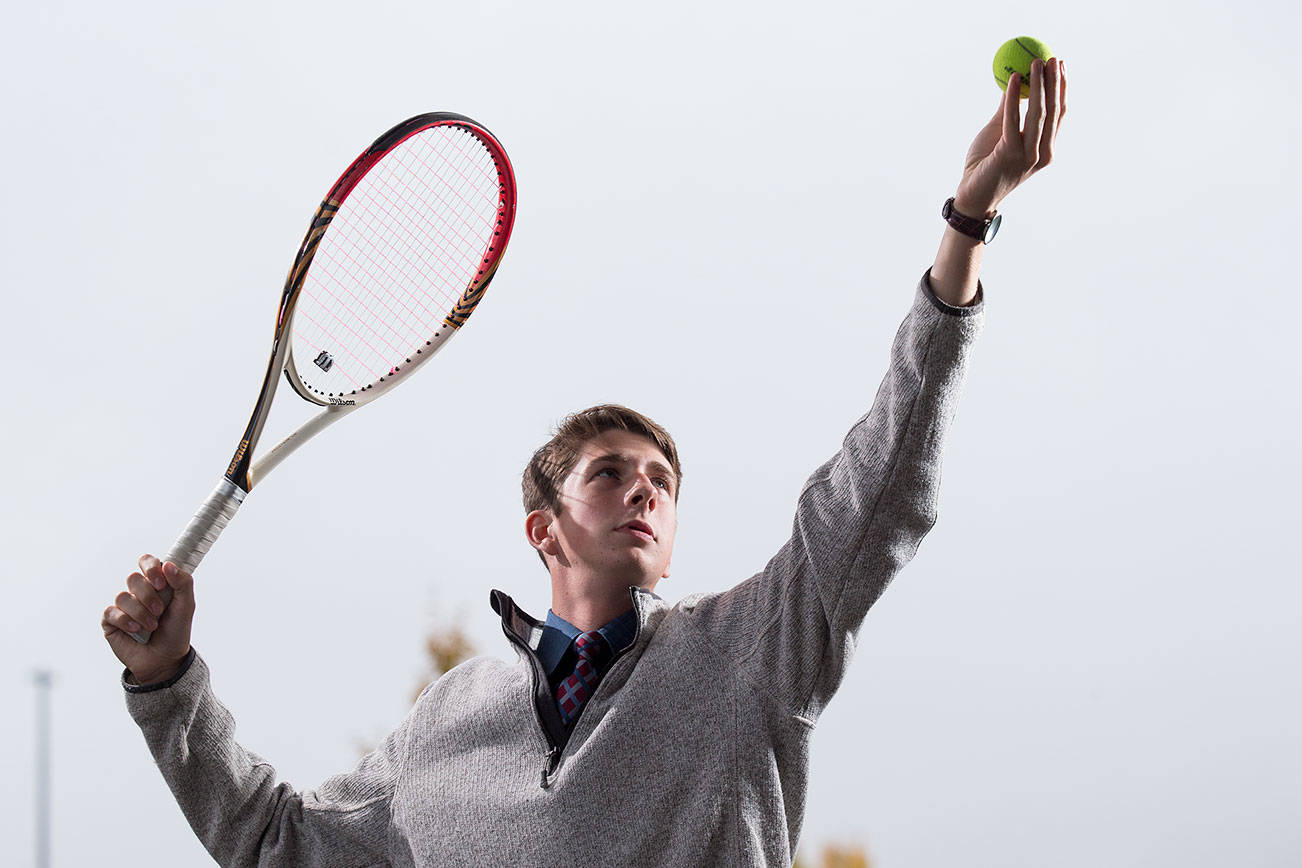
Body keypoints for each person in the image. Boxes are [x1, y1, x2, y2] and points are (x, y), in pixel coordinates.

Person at [104, 60, 1067, 867]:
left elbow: (882, 486)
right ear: (544, 528)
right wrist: (165, 677)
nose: (644, 487)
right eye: (610, 473)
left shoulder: (749, 653)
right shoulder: (450, 720)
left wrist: (965, 228)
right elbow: (279, 843)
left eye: (662, 481)